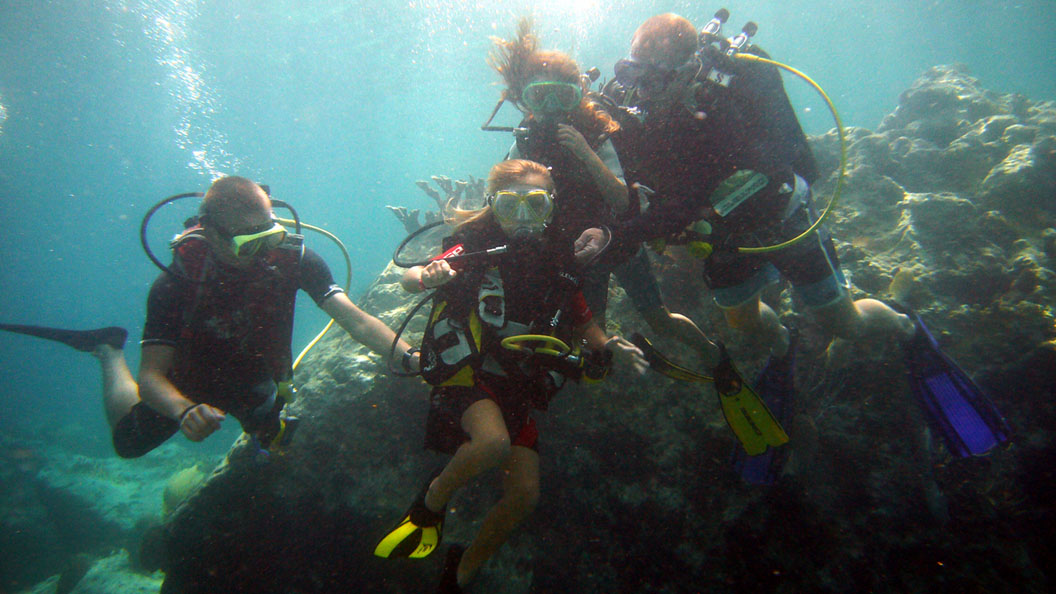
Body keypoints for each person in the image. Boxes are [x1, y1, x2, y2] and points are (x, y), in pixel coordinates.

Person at [583, 13, 1008, 475]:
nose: (642, 90)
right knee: (742, 322)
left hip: (784, 222)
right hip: (724, 240)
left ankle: (905, 327)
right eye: (633, 73)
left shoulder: (724, 102)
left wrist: (649, 227)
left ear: (687, 70)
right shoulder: (638, 108)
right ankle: (784, 342)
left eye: (654, 77)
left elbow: (760, 178)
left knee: (843, 324)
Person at [0, 176, 419, 458]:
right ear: (210, 231)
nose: (264, 252)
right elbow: (151, 377)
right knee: (127, 444)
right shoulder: (175, 283)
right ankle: (108, 349)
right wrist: (184, 411)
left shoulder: (295, 259)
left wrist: (409, 357)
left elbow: (356, 319)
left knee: (280, 445)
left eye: (269, 235)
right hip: (189, 382)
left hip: (255, 378)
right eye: (246, 242)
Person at [372, 160, 645, 593]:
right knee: (493, 443)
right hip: (468, 376)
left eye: (534, 205)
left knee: (524, 496)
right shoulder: (473, 245)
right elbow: (412, 277)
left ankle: (460, 574)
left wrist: (607, 346)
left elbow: (581, 319)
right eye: (509, 205)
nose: (522, 219)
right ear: (491, 206)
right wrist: (426, 276)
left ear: (552, 207)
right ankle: (429, 505)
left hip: (519, 384)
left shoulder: (560, 255)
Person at [488, 18, 722, 368]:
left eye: (563, 95)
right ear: (526, 99)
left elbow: (622, 201)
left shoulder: (597, 132)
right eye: (540, 96)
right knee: (588, 328)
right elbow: (499, 197)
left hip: (618, 240)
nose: (553, 107)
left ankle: (713, 356)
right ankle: (615, 360)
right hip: (577, 252)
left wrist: (585, 150)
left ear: (577, 95)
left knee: (659, 319)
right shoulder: (525, 141)